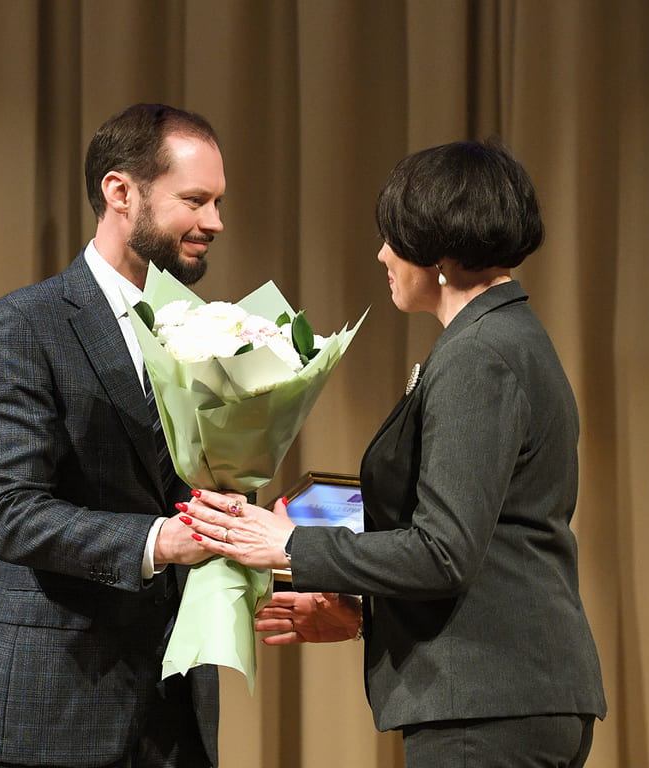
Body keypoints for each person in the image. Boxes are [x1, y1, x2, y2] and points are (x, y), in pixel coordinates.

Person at [180, 139, 607, 767]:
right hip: (508, 696)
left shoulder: (479, 355)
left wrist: (289, 545)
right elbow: (479, 547)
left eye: (394, 236)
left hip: (486, 707)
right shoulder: (504, 337)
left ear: (439, 247)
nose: (382, 253)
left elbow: (444, 552)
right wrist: (360, 616)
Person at [0, 103, 226, 768]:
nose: (214, 222)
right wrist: (161, 539)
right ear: (119, 191)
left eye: (219, 202)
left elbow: (186, 483)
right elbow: (13, 514)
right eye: (195, 200)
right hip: (57, 707)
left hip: (175, 713)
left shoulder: (207, 332)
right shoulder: (24, 324)